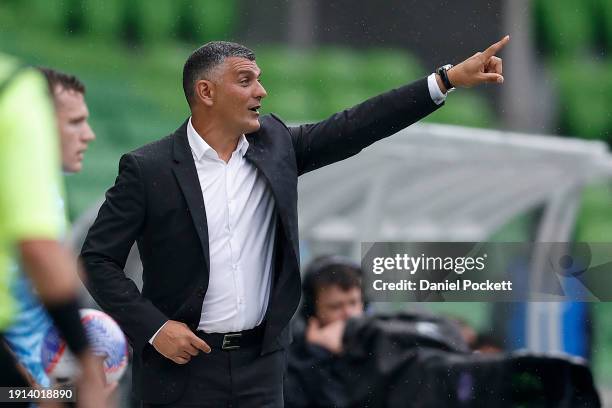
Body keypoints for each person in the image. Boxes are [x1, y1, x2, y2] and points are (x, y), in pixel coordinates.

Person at [80, 37, 509, 406]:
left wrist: (445, 80)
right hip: (181, 368)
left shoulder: (277, 145)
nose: (261, 91)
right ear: (206, 92)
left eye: (259, 79)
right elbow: (97, 259)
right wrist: (154, 328)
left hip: (261, 368)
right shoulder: (147, 168)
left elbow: (358, 125)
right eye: (246, 80)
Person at [0, 56, 105, 405]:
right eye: (75, 122)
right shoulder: (16, 91)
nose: (88, 134)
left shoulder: (49, 195)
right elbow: (38, 255)